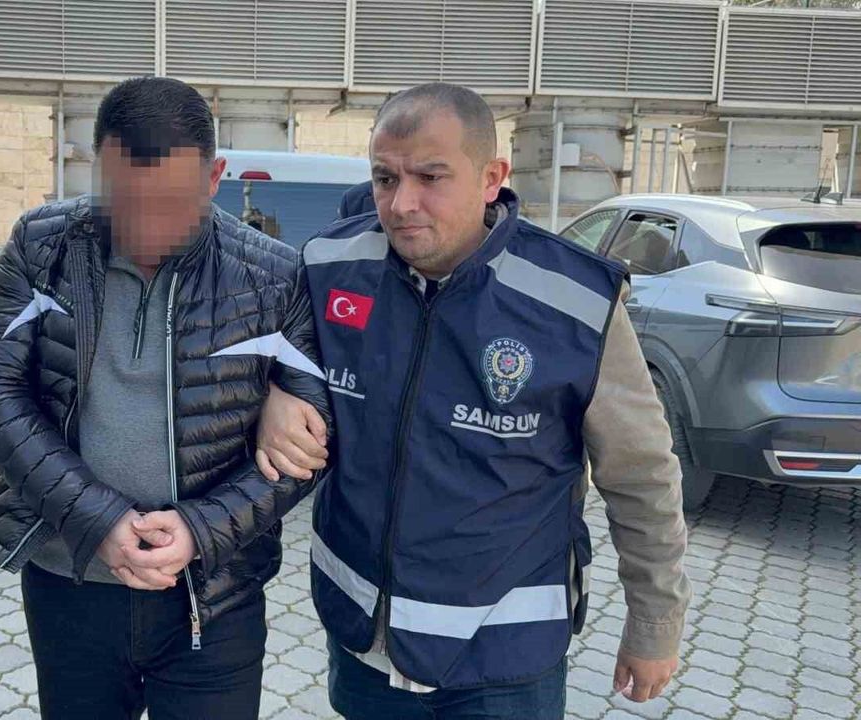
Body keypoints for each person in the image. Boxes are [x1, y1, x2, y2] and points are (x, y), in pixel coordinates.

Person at [255, 82, 691, 719]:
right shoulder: (328, 265)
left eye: (431, 177)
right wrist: (277, 391)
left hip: (503, 663)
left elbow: (641, 474)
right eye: (384, 178)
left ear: (492, 178)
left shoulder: (576, 304)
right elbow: (284, 360)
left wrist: (655, 624)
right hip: (362, 641)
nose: (401, 203)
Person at [0, 76, 332, 720]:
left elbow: (307, 444)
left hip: (213, 595)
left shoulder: (273, 277)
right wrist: (98, 520)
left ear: (214, 178)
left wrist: (200, 528)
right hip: (69, 578)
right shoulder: (43, 246)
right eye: (123, 201)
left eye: (170, 204)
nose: (144, 228)